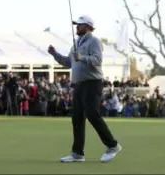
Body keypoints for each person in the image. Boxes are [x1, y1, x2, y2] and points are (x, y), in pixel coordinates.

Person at [48, 15, 121, 163]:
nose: (77, 27)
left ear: (88, 26)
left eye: (79, 25)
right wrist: (54, 54)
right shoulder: (76, 43)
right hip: (79, 84)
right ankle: (77, 153)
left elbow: (97, 60)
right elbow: (68, 62)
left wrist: (81, 58)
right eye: (76, 25)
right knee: (77, 118)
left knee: (92, 115)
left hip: (92, 82)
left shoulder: (94, 41)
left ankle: (112, 145)